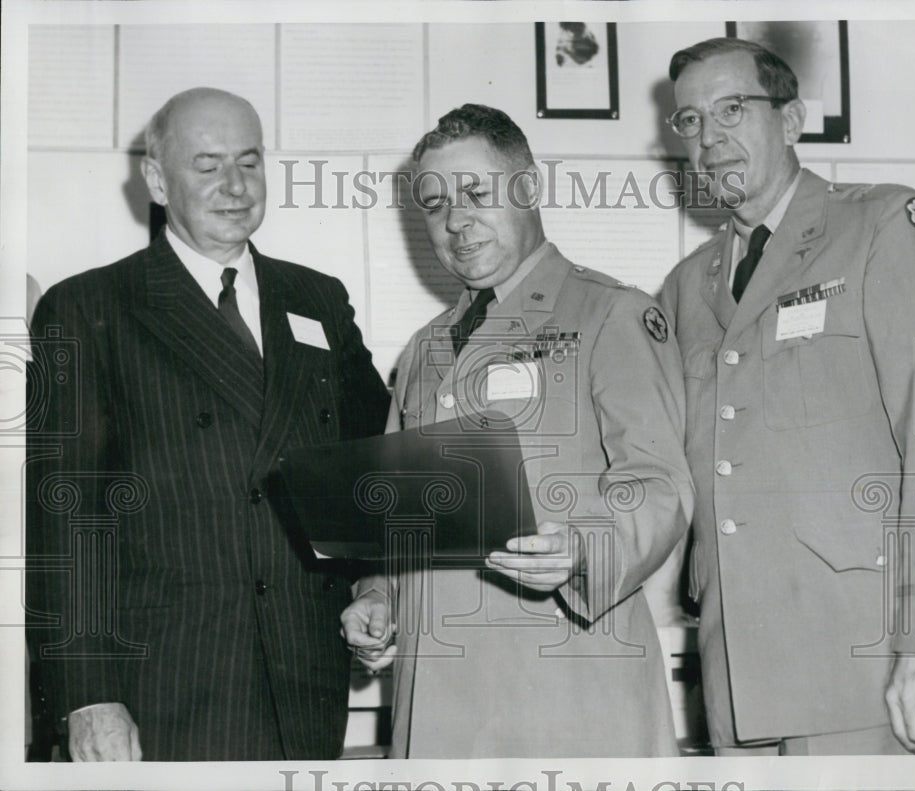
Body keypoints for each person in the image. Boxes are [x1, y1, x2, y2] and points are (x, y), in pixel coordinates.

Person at [25, 87, 389, 761]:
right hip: (164, 684)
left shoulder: (318, 298)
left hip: (304, 676)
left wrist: (375, 579)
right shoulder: (88, 307)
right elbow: (65, 519)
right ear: (158, 179)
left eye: (249, 162)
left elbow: (367, 460)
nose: (234, 185)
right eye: (209, 164)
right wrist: (86, 695)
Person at [340, 103, 694, 758]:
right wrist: (378, 594)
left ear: (529, 188)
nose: (455, 221)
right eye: (435, 203)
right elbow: (398, 522)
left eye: (477, 192)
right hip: (437, 702)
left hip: (564, 690)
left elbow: (659, 485)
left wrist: (585, 547)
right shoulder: (422, 350)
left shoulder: (610, 313)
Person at [659, 38, 915, 755]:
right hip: (734, 674)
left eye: (732, 109)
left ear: (793, 119)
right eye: (691, 121)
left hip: (862, 668)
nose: (709, 139)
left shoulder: (882, 225)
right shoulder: (684, 288)